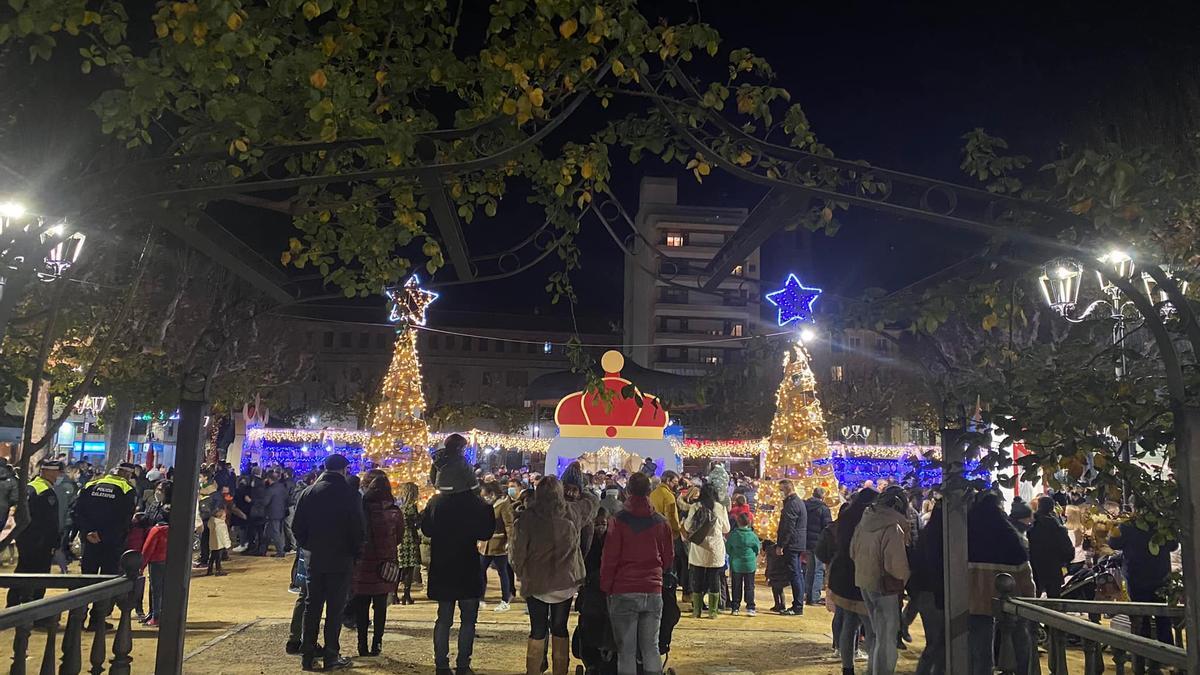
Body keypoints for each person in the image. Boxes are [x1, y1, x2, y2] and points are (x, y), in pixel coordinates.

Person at [292, 454, 366, 671]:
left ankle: (308, 654)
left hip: (315, 556)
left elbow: (297, 527)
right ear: (344, 469)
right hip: (341, 558)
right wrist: (354, 552)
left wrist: (310, 544)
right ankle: (331, 654)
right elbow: (358, 529)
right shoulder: (351, 494)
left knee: (312, 606)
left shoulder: (309, 492)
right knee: (335, 609)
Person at [421, 459, 495, 675]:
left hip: (443, 564)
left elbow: (427, 530)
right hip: (467, 564)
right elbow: (485, 533)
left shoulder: (436, 503)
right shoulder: (476, 504)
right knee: (468, 619)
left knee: (443, 618)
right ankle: (463, 664)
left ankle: (441, 664)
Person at [600, 471, 674, 675]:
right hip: (652, 589)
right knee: (651, 647)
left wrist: (606, 586)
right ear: (649, 491)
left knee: (626, 651)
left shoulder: (618, 521)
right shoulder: (660, 522)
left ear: (628, 490)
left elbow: (610, 557)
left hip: (623, 589)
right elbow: (668, 557)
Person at [511, 475, 585, 675]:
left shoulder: (526, 519)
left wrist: (520, 572)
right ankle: (560, 670)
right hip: (564, 581)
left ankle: (533, 670)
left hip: (536, 580)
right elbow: (591, 506)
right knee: (560, 627)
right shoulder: (571, 515)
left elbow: (518, 552)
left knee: (538, 628)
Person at [966, 492, 1034, 675]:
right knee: (1019, 641)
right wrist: (1030, 600)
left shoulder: (966, 536)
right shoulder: (1010, 537)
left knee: (981, 651)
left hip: (976, 602)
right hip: (1011, 604)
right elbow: (1025, 573)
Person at [850, 486, 912, 675]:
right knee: (887, 637)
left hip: (864, 581)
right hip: (885, 585)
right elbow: (896, 565)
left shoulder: (865, 521)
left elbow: (853, 551)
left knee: (876, 632)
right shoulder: (894, 527)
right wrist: (905, 578)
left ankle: (872, 669)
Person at [1110, 505, 1179, 649]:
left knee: (1141, 619)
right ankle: (1169, 657)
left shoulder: (1128, 526)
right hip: (1161, 574)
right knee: (1163, 617)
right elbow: (1173, 545)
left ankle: (1146, 657)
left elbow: (1114, 543)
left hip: (1137, 576)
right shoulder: (1162, 524)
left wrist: (1114, 528)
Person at [351, 473, 404, 657]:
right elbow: (399, 537)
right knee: (380, 608)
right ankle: (377, 643)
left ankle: (362, 644)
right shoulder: (394, 512)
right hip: (384, 566)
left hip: (363, 566)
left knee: (361, 608)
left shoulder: (361, 510)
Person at [828, 488, 879, 675]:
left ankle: (847, 667)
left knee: (849, 623)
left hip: (843, 575)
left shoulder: (846, 517)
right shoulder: (867, 520)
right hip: (860, 574)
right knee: (870, 625)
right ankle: (873, 667)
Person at [7, 459, 63, 608]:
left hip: (24, 537)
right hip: (40, 541)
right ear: (49, 472)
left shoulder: (30, 487)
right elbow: (49, 522)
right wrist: (54, 542)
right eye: (57, 473)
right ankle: (36, 611)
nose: (58, 476)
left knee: (22, 570)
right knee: (40, 576)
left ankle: (12, 604)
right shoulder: (45, 492)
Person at [72, 463, 138, 575]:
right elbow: (124, 518)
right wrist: (103, 535)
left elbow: (77, 511)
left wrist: (87, 531)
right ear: (127, 474)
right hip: (112, 541)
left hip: (89, 539)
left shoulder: (90, 485)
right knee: (108, 578)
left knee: (87, 576)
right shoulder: (127, 489)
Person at [681, 482, 729, 619]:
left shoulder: (695, 507)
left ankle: (697, 610)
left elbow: (688, 526)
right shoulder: (720, 508)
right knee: (714, 579)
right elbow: (727, 528)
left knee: (697, 579)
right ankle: (713, 612)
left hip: (699, 547)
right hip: (715, 548)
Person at [479, 481, 516, 612]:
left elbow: (509, 524)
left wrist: (509, 541)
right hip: (485, 544)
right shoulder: (487, 505)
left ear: (492, 494)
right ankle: (480, 598)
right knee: (480, 570)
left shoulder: (503, 505)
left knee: (502, 572)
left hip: (499, 544)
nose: (484, 497)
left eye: (485, 495)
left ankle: (505, 599)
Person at [774, 479, 808, 615]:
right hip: (797, 543)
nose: (780, 493)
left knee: (795, 575)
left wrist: (781, 544)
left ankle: (797, 606)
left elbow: (788, 527)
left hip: (792, 544)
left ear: (787, 489)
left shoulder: (792, 504)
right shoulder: (797, 502)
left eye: (781, 490)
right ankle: (797, 604)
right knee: (797, 574)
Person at [726, 511, 760, 616]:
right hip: (750, 565)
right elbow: (757, 549)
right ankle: (750, 607)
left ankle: (735, 607)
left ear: (738, 522)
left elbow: (728, 548)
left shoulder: (733, 535)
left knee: (736, 586)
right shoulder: (753, 536)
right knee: (750, 586)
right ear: (749, 522)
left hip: (736, 564)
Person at [805, 486, 833, 605]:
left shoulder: (805, 505)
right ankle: (815, 596)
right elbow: (827, 527)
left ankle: (807, 594)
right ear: (822, 496)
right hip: (818, 542)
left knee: (810, 569)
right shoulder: (823, 508)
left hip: (808, 541)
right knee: (818, 570)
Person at [141, 514, 169, 627]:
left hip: (157, 562)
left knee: (156, 590)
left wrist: (141, 565)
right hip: (170, 561)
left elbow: (148, 548)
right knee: (166, 589)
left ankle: (156, 617)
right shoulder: (175, 529)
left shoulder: (156, 530)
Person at [396, 482, 422, 605]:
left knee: (399, 567)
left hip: (399, 538)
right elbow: (416, 523)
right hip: (410, 538)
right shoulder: (411, 507)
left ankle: (393, 594)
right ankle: (406, 595)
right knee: (409, 568)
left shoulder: (398, 506)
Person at [261, 471, 289, 557]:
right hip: (281, 512)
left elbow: (265, 502)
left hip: (272, 513)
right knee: (268, 533)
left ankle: (280, 551)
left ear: (269, 479)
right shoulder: (282, 487)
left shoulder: (270, 489)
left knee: (275, 533)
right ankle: (263, 550)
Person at [207, 504, 230, 576]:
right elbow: (223, 535)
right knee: (218, 558)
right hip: (220, 544)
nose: (225, 518)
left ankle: (209, 570)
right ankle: (218, 570)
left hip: (213, 544)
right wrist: (227, 544)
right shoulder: (221, 525)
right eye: (224, 516)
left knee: (212, 557)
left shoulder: (212, 523)